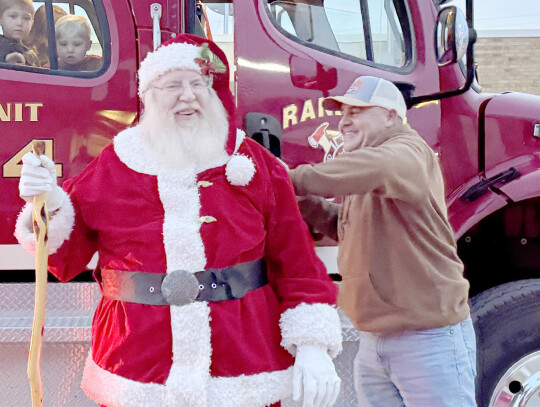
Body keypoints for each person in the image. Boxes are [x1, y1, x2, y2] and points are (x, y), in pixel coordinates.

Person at [15, 34, 342, 407]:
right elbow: (63, 258)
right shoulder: (116, 163)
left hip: (244, 365)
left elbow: (297, 261)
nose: (187, 96)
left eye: (199, 83)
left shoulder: (255, 163)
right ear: (149, 94)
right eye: (173, 85)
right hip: (138, 366)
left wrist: (313, 346)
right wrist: (49, 202)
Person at [288, 76, 477, 407]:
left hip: (427, 341)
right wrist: (302, 204)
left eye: (357, 111)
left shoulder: (406, 152)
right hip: (374, 342)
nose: (344, 120)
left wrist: (283, 179)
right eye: (343, 112)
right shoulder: (373, 168)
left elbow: (378, 166)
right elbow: (342, 225)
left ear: (392, 115)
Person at [0, 0, 39, 66]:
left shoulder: (31, 54)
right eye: (13, 16)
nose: (20, 23)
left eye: (26, 18)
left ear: (32, 23)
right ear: (0, 19)